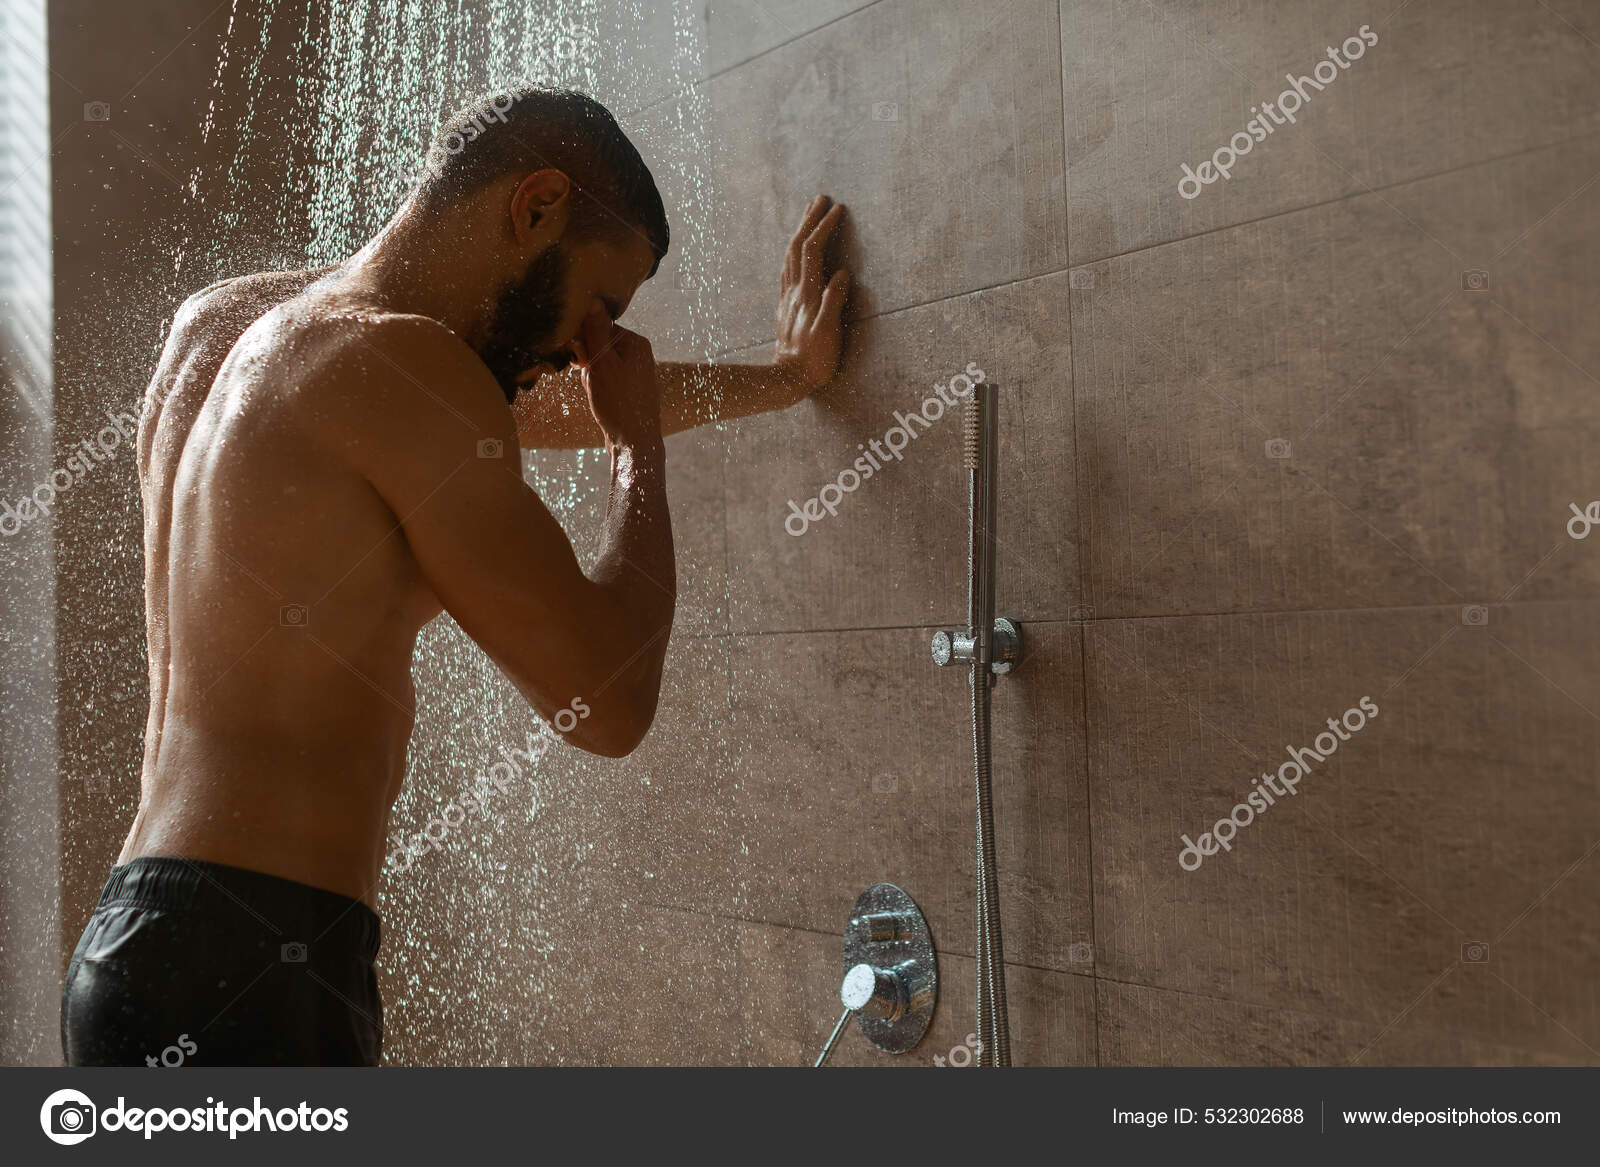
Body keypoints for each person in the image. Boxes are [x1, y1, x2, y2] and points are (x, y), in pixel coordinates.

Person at [60, 85, 850, 1066]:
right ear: (537, 205)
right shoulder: (398, 365)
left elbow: (524, 405)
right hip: (255, 969)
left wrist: (785, 380)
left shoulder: (230, 331)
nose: (587, 348)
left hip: (137, 940)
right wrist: (637, 451)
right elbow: (607, 706)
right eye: (599, 307)